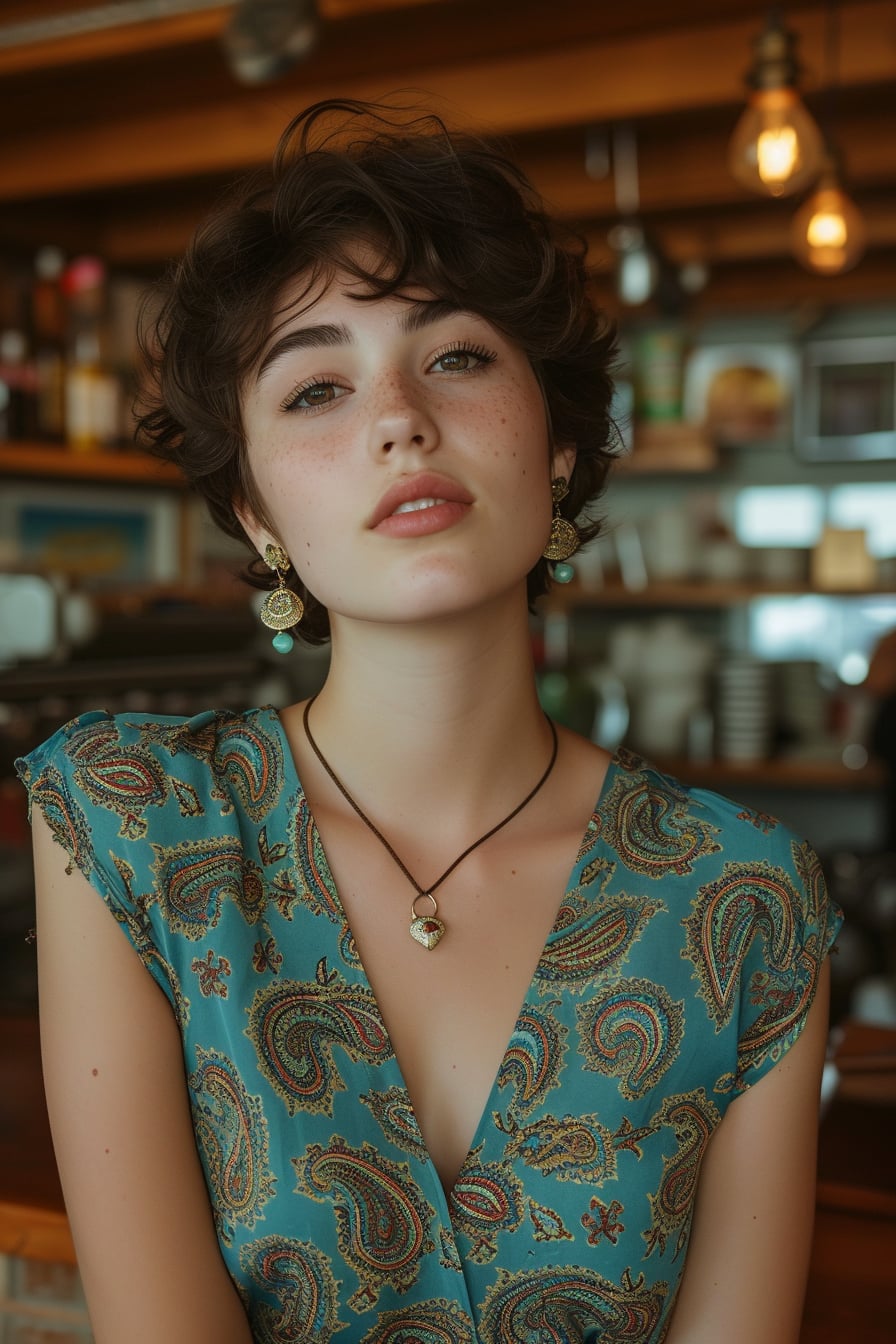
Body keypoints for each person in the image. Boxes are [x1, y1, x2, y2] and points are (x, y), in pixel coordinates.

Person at [18, 99, 841, 1344]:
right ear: (252, 511)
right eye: (314, 389)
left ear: (557, 445)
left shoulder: (744, 903)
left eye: (454, 356)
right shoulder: (137, 831)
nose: (398, 417)